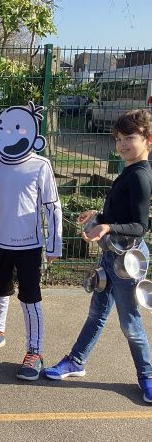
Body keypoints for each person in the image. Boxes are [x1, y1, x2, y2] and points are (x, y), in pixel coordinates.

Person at [45, 109, 152, 403]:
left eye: (129, 138)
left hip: (127, 261)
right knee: (97, 313)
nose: (122, 144)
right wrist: (99, 216)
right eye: (118, 138)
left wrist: (107, 226)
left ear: (148, 140)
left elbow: (140, 226)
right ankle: (76, 361)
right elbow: (122, 213)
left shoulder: (141, 176)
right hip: (111, 255)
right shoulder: (129, 170)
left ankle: (147, 376)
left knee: (130, 323)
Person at [0, 101, 62, 381]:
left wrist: (54, 244)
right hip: (0, 243)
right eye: (5, 128)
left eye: (19, 129)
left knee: (30, 297)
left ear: (34, 136)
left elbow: (52, 206)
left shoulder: (41, 165)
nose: (11, 134)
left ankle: (35, 351)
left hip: (29, 245)